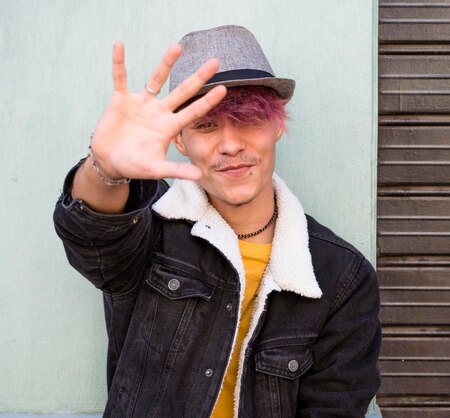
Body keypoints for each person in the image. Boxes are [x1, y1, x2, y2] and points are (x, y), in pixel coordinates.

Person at [53, 25, 381, 417]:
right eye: (206, 125)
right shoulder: (150, 227)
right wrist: (105, 169)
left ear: (277, 125)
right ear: (179, 140)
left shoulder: (341, 276)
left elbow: (335, 407)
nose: (230, 145)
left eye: (248, 119)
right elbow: (92, 234)